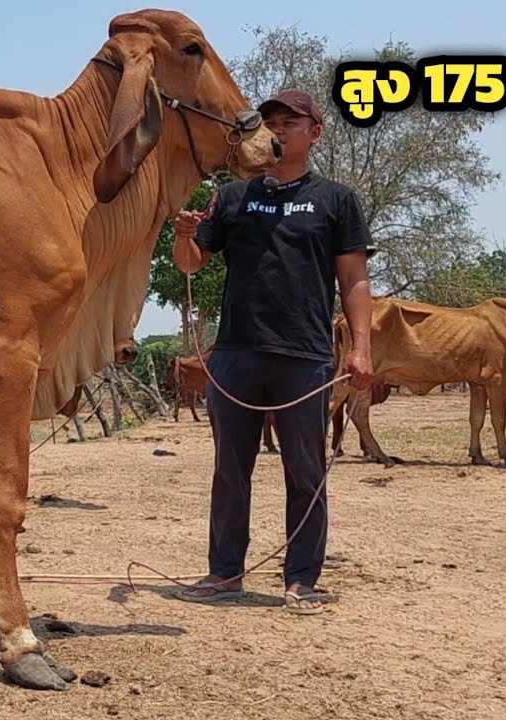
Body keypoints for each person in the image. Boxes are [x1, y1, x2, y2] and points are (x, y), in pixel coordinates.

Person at [170, 88, 375, 615]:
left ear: (315, 133)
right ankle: (224, 572)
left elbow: (353, 279)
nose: (278, 130)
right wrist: (184, 235)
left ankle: (301, 579)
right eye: (271, 122)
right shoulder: (234, 197)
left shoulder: (336, 200)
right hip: (236, 352)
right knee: (230, 467)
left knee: (306, 469)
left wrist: (361, 349)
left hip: (305, 355)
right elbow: (192, 264)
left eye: (291, 122)